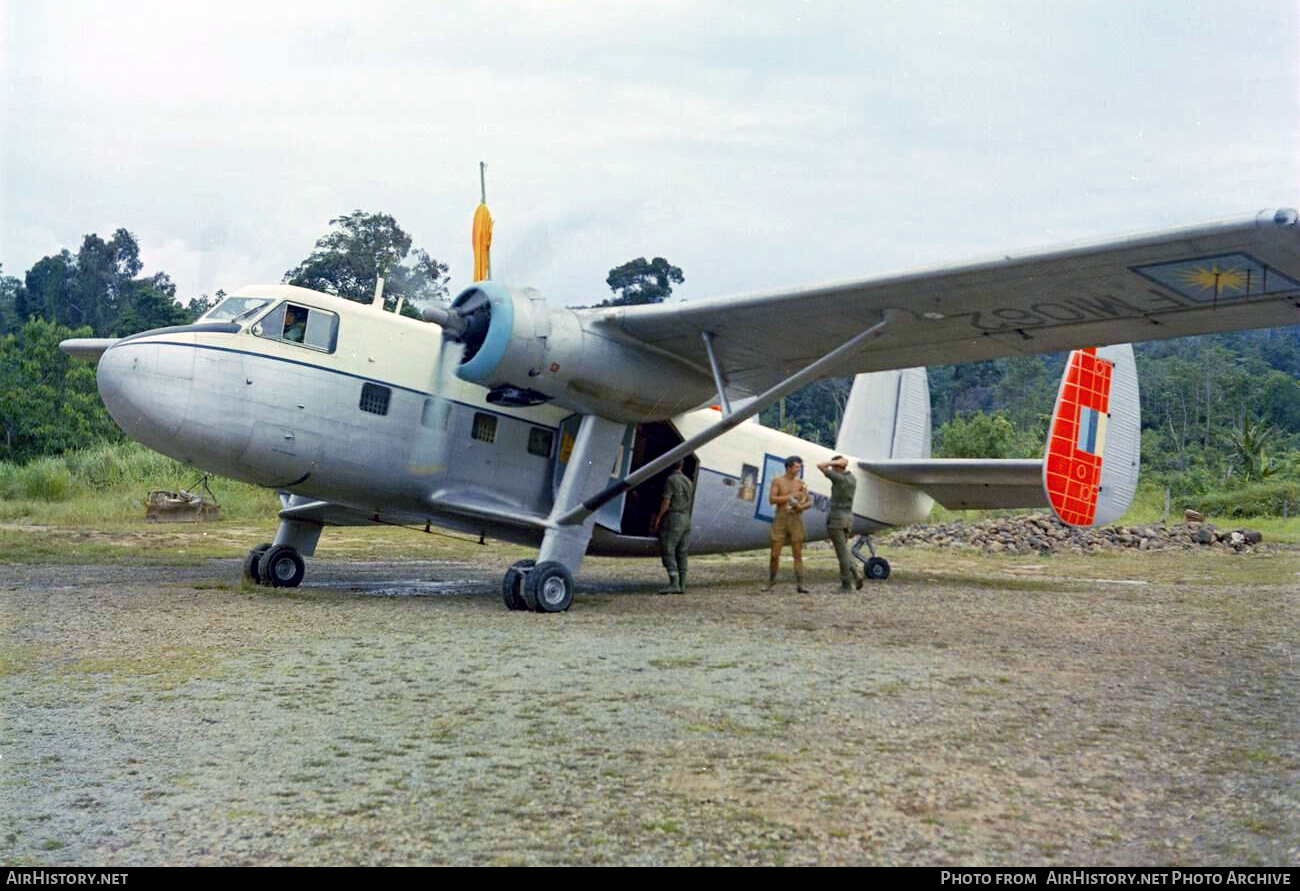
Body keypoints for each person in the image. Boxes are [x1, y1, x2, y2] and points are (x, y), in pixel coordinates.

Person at [818, 455, 864, 592]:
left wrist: (832, 462)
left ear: (837, 466)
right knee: (844, 549)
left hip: (837, 519)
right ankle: (855, 573)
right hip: (848, 519)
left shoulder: (839, 479)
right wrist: (840, 463)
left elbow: (820, 465)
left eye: (833, 467)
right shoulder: (852, 479)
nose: (831, 468)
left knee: (841, 554)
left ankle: (846, 585)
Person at [766, 455, 811, 592]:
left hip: (795, 518)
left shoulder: (800, 483)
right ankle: (772, 580)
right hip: (781, 517)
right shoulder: (778, 481)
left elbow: (809, 501)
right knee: (775, 554)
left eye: (800, 467)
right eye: (797, 467)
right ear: (789, 467)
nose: (799, 469)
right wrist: (790, 497)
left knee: (797, 553)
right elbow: (772, 499)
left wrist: (800, 507)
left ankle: (800, 584)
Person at [649, 459, 693, 594]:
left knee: (668, 548)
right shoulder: (688, 481)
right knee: (682, 551)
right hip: (686, 518)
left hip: (674, 518)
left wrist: (658, 517)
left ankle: (674, 583)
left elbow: (666, 501)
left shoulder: (671, 480)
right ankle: (682, 584)